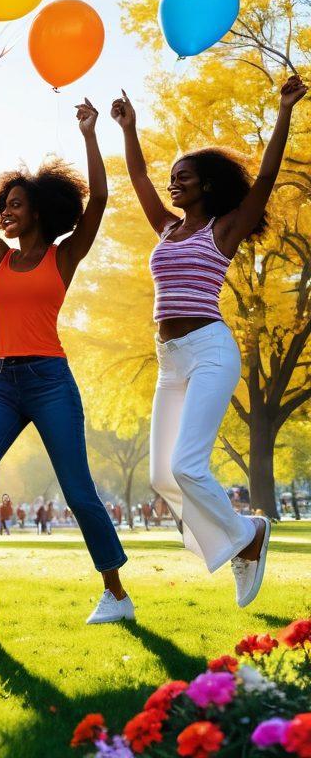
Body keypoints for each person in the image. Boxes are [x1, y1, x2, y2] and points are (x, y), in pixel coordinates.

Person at [0, 91, 134, 629]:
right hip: (1, 383)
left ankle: (116, 593)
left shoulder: (63, 257)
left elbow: (99, 200)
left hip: (49, 381)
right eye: (5, 205)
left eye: (16, 204)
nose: (6, 211)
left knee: (78, 490)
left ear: (38, 211)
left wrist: (91, 135)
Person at [111, 75, 306, 607]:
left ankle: (249, 535)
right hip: (169, 361)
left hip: (209, 351)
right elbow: (138, 177)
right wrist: (129, 128)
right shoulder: (166, 228)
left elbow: (265, 177)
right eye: (172, 178)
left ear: (207, 185)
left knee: (186, 466)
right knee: (162, 476)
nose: (173, 184)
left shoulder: (224, 230)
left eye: (184, 178)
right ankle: (242, 541)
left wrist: (284, 111)